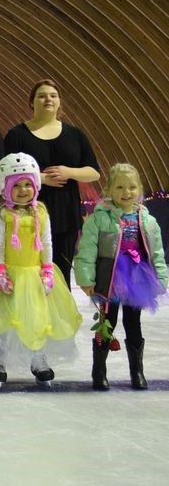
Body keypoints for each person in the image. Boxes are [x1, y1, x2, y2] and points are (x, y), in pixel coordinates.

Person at [0, 153, 81, 388]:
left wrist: (47, 268)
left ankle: (38, 359)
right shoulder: (2, 214)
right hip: (8, 273)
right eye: (17, 186)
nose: (23, 190)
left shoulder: (41, 212)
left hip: (34, 274)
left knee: (38, 319)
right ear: (6, 188)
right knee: (2, 320)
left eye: (28, 184)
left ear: (35, 186)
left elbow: (46, 243)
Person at [74, 163, 168, 391]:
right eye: (120, 187)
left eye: (132, 187)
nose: (126, 192)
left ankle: (137, 371)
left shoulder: (147, 220)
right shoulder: (99, 218)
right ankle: (99, 371)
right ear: (108, 190)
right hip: (110, 277)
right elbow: (87, 249)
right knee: (108, 322)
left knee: (133, 324)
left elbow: (156, 252)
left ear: (140, 189)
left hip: (137, 277)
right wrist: (86, 278)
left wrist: (161, 278)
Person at [4, 79, 100, 284]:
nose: (48, 98)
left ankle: (59, 315)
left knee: (61, 272)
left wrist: (69, 171)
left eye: (53, 95)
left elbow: (94, 173)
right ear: (32, 103)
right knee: (29, 271)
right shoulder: (17, 135)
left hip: (65, 214)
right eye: (42, 95)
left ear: (59, 102)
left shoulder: (75, 135)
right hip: (27, 214)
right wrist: (40, 179)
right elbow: (4, 173)